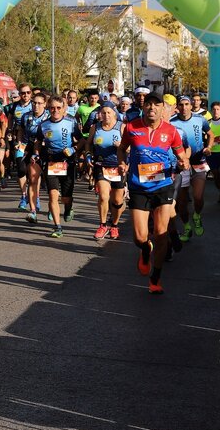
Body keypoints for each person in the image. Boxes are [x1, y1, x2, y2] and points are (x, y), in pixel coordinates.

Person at [118, 94, 189, 294]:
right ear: (144, 107)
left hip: (163, 185)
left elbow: (181, 155)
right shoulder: (132, 127)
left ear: (162, 109)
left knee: (161, 233)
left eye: (156, 104)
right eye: (148, 103)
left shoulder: (171, 131)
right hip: (139, 187)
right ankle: (144, 249)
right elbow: (122, 149)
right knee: (140, 237)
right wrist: (122, 162)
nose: (152, 107)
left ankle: (155, 278)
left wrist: (184, 163)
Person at [39, 95, 82, 238]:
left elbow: (81, 141)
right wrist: (37, 154)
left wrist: (73, 150)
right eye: (52, 108)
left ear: (63, 109)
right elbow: (38, 142)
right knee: (53, 195)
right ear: (48, 108)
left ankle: (68, 208)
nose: (55, 111)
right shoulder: (43, 125)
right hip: (51, 163)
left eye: (58, 108)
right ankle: (57, 227)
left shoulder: (71, 122)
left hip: (67, 162)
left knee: (66, 198)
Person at [171, 96, 211, 242]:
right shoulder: (172, 122)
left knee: (198, 197)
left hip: (199, 161)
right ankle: (187, 226)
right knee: (181, 202)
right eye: (181, 105)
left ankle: (197, 215)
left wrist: (209, 147)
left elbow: (210, 134)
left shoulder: (200, 119)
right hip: (181, 165)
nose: (184, 107)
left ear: (190, 105)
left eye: (187, 104)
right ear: (177, 106)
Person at [87, 102, 125, 240]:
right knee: (103, 196)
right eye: (103, 113)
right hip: (101, 165)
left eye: (109, 112)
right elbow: (88, 144)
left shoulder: (121, 127)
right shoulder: (95, 127)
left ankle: (114, 225)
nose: (106, 115)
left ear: (114, 113)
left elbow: (131, 148)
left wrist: (122, 147)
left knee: (117, 200)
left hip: (118, 167)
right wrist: (88, 155)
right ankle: (102, 225)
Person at [19, 92, 49, 222]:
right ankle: (33, 211)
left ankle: (52, 208)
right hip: (31, 150)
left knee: (51, 183)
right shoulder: (26, 116)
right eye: (34, 103)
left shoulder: (49, 117)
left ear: (45, 104)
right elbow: (20, 130)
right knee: (32, 179)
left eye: (39, 103)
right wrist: (20, 142)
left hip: (48, 151)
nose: (36, 106)